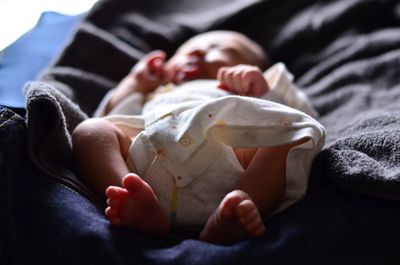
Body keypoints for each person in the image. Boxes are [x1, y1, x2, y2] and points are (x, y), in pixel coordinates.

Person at [72, 30, 325, 245]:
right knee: (91, 131)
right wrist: (134, 83)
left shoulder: (253, 88)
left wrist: (265, 93)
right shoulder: (158, 91)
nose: (196, 52)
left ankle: (238, 207)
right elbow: (115, 115)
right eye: (184, 51)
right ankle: (130, 195)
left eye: (217, 48)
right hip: (145, 163)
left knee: (287, 137)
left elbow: (300, 120)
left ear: (250, 66)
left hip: (230, 162)